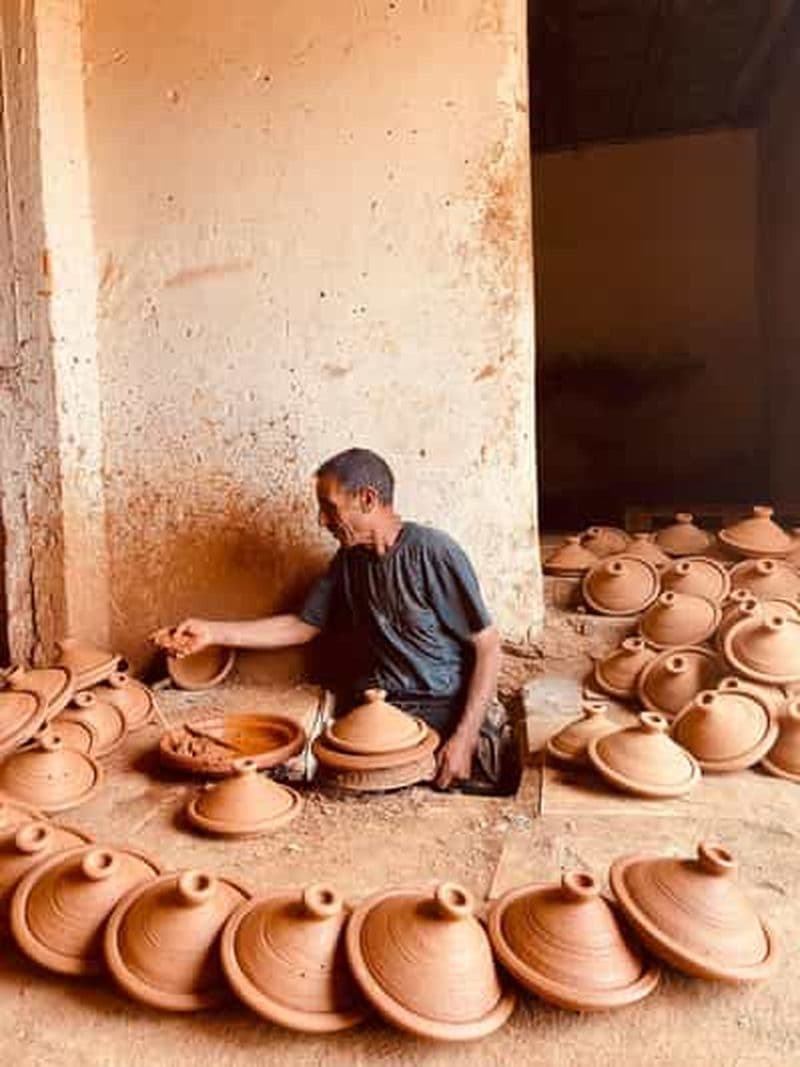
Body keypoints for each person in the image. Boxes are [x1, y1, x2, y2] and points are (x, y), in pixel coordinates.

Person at [158, 448, 512, 791]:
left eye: (329, 508)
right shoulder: (349, 561)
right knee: (280, 760)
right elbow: (301, 625)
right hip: (380, 707)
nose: (321, 521)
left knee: (437, 770)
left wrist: (463, 739)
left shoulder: (431, 552)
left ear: (368, 499)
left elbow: (489, 647)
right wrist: (212, 632)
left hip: (440, 709)